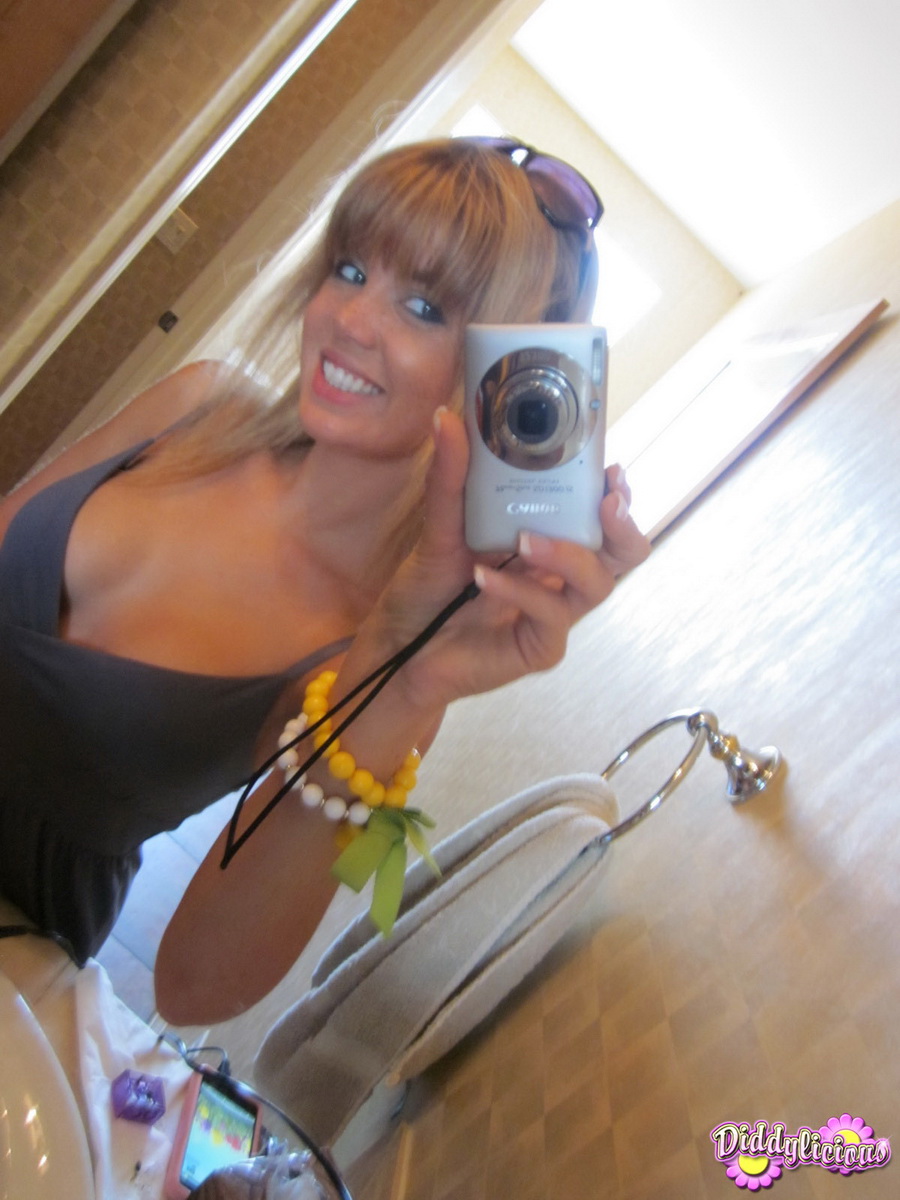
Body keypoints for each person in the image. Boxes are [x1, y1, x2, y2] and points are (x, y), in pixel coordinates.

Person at [0, 137, 650, 1022]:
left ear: (504, 382)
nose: (349, 320)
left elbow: (196, 987)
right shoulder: (197, 405)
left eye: (423, 307)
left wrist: (404, 679)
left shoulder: (381, 651)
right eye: (350, 269)